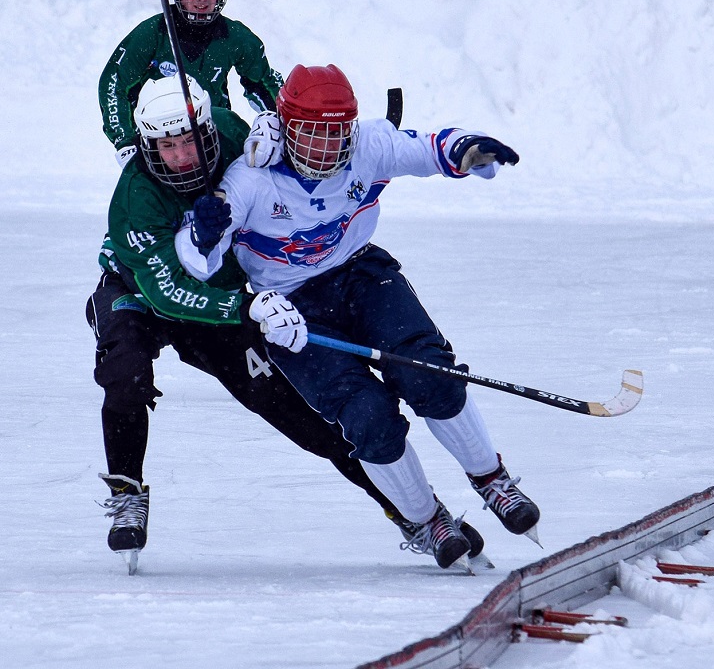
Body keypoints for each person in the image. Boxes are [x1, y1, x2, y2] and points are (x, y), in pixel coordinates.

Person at [177, 64, 540, 571]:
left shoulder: (368, 145)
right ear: (285, 126)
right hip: (292, 309)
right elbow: (197, 260)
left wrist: (467, 149)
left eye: (336, 132)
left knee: (429, 373)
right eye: (312, 133)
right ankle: (425, 519)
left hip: (360, 274)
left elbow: (429, 147)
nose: (327, 147)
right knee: (366, 417)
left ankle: (492, 480)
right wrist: (203, 230)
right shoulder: (250, 179)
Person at [87, 74, 446, 571]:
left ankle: (414, 514)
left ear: (210, 132)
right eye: (166, 147)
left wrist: (272, 126)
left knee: (307, 416)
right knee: (125, 373)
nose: (181, 157)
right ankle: (127, 494)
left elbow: (300, 129)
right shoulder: (134, 198)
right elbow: (165, 290)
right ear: (148, 145)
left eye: (190, 141)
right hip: (140, 291)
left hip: (227, 299)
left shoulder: (236, 136)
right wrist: (245, 307)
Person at [98, 0, 285, 168]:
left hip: (213, 134)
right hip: (161, 140)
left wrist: (281, 126)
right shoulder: (152, 33)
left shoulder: (235, 37)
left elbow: (264, 84)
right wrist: (125, 141)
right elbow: (114, 84)